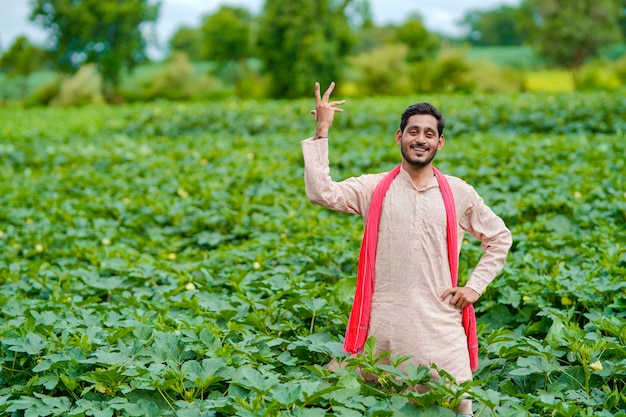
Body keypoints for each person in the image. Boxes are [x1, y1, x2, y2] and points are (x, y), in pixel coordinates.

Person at [301, 82, 512, 416]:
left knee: (460, 406)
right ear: (399, 137)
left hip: (442, 325)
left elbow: (499, 237)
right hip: (383, 324)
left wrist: (475, 286)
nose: (420, 139)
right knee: (376, 401)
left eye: (429, 134)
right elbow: (322, 193)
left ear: (439, 143)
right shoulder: (373, 188)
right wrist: (322, 131)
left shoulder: (458, 192)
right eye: (413, 132)